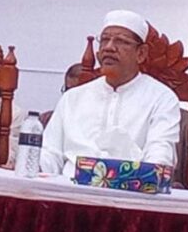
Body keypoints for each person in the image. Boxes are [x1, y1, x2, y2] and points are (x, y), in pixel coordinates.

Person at [39, 10, 180, 176]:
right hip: (68, 187)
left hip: (130, 188)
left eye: (121, 41)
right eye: (104, 40)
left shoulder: (162, 98)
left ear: (141, 53)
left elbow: (160, 156)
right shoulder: (72, 98)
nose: (108, 47)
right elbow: (50, 153)